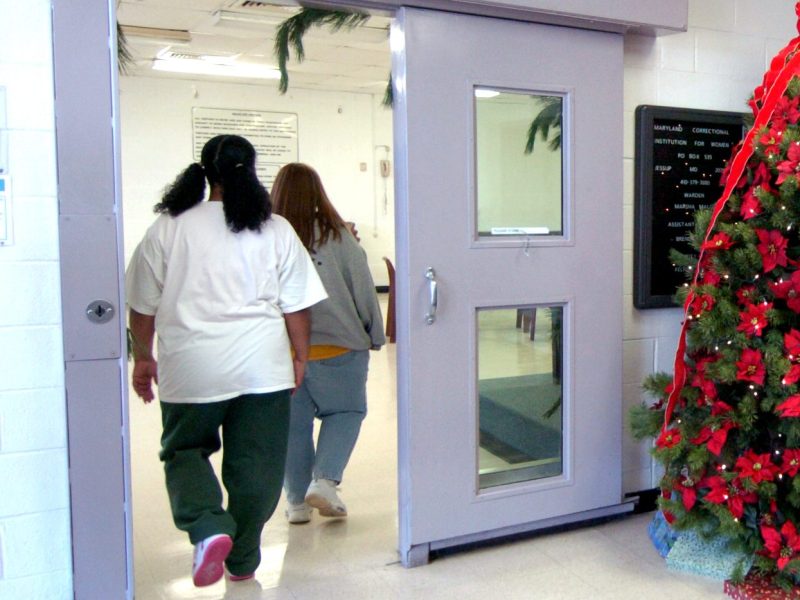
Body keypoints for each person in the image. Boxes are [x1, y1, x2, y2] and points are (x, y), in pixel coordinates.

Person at [125, 136, 326, 586]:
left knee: (184, 451)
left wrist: (143, 359)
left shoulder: (168, 227)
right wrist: (300, 357)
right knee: (257, 464)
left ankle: (209, 526)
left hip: (191, 369)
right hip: (262, 368)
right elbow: (298, 306)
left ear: (204, 172)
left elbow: (141, 307)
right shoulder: (274, 229)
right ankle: (244, 560)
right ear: (253, 170)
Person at [271, 163, 385, 523]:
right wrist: (374, 332)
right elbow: (363, 288)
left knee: (293, 427)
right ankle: (324, 480)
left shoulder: (266, 237)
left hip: (285, 353)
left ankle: (296, 504)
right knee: (346, 412)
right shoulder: (338, 236)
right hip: (340, 347)